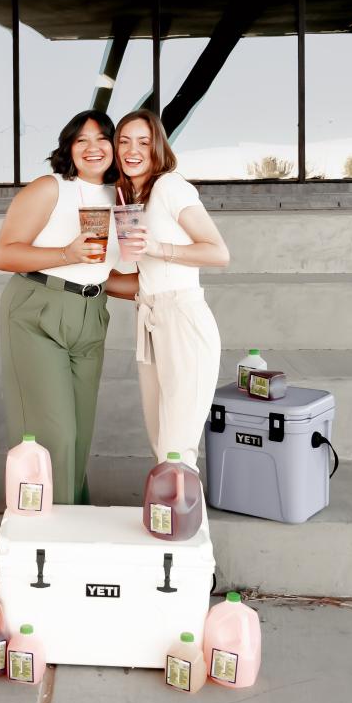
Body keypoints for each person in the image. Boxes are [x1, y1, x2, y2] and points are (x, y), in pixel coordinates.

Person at [0, 111, 135, 504]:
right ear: (69, 148)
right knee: (55, 434)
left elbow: (104, 274)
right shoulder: (50, 188)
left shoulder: (122, 197)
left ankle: (71, 517)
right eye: (81, 140)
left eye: (102, 139)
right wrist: (66, 252)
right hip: (38, 307)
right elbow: (3, 255)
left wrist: (164, 287)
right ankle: (47, 533)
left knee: (81, 433)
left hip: (91, 313)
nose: (93, 148)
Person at [114, 109, 229, 468]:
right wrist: (77, 275)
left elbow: (218, 252)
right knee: (160, 439)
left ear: (158, 148)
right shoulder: (129, 199)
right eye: (124, 141)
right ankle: (168, 517)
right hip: (150, 319)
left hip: (183, 319)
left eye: (144, 142)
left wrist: (158, 249)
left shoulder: (170, 186)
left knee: (177, 448)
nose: (133, 150)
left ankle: (183, 522)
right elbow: (143, 280)